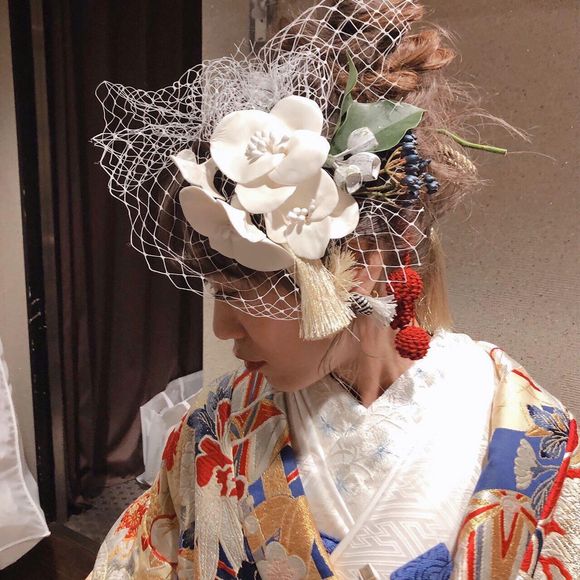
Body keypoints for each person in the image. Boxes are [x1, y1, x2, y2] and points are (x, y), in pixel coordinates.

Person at [89, 0, 580, 578]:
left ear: (368, 258)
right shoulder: (214, 429)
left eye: (242, 292)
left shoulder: (526, 429)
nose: (222, 328)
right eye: (218, 292)